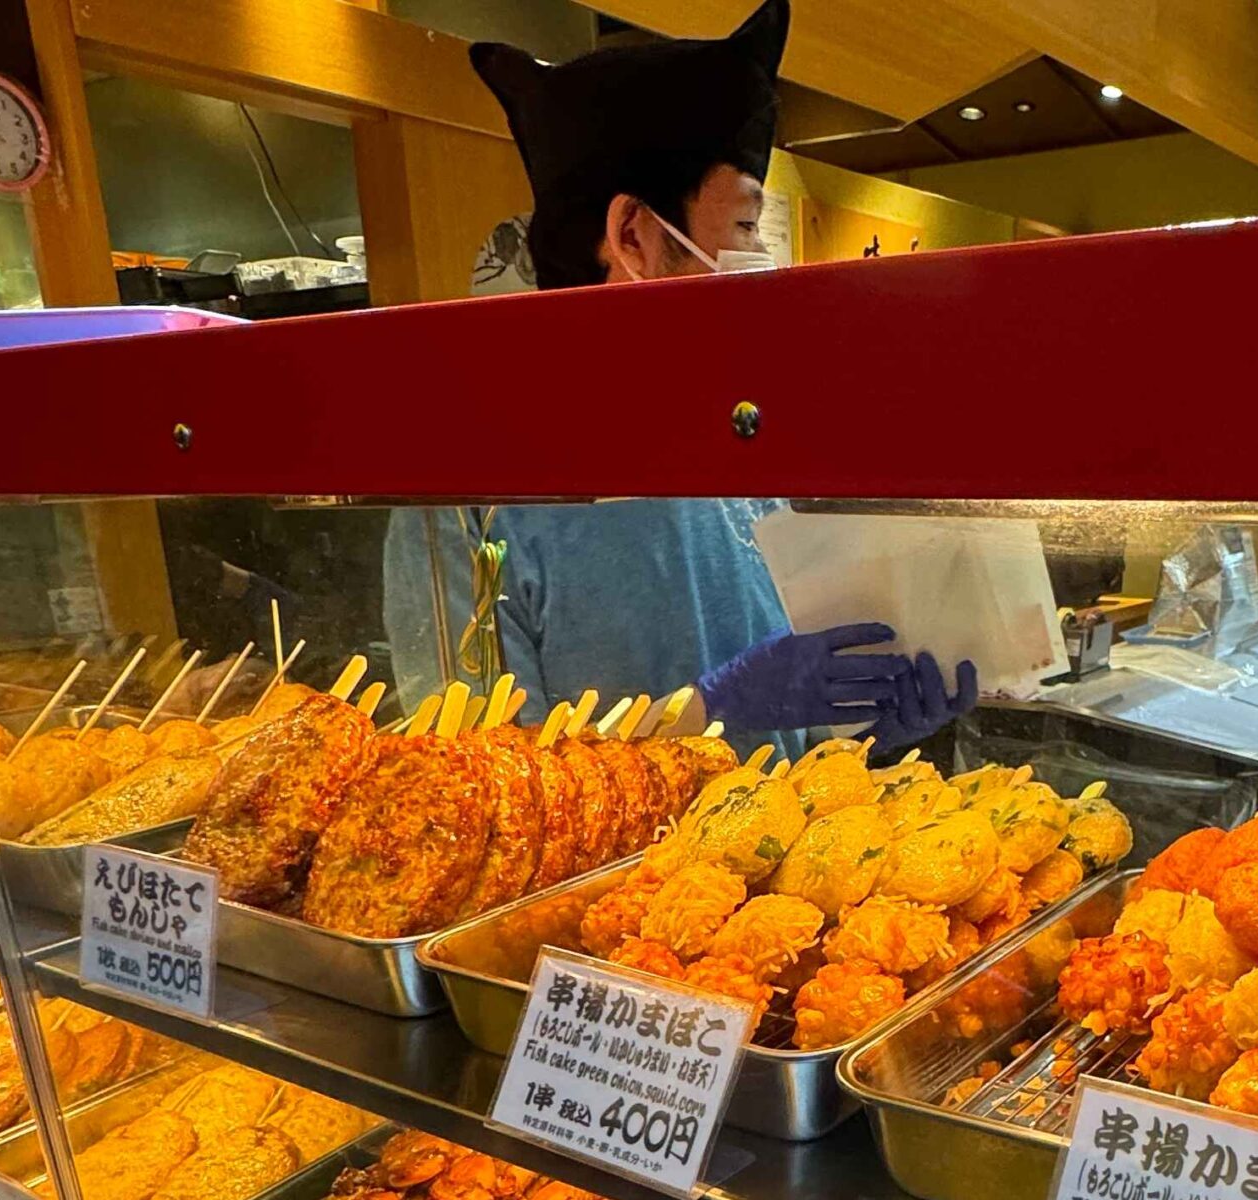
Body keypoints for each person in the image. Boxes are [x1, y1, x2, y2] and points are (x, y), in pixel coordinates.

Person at [382, 0, 974, 753]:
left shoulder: (738, 431)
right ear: (634, 235)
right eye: (747, 228)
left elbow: (795, 695)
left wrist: (870, 724)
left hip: (780, 860)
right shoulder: (469, 490)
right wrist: (704, 710)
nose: (762, 259)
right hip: (630, 874)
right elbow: (471, 778)